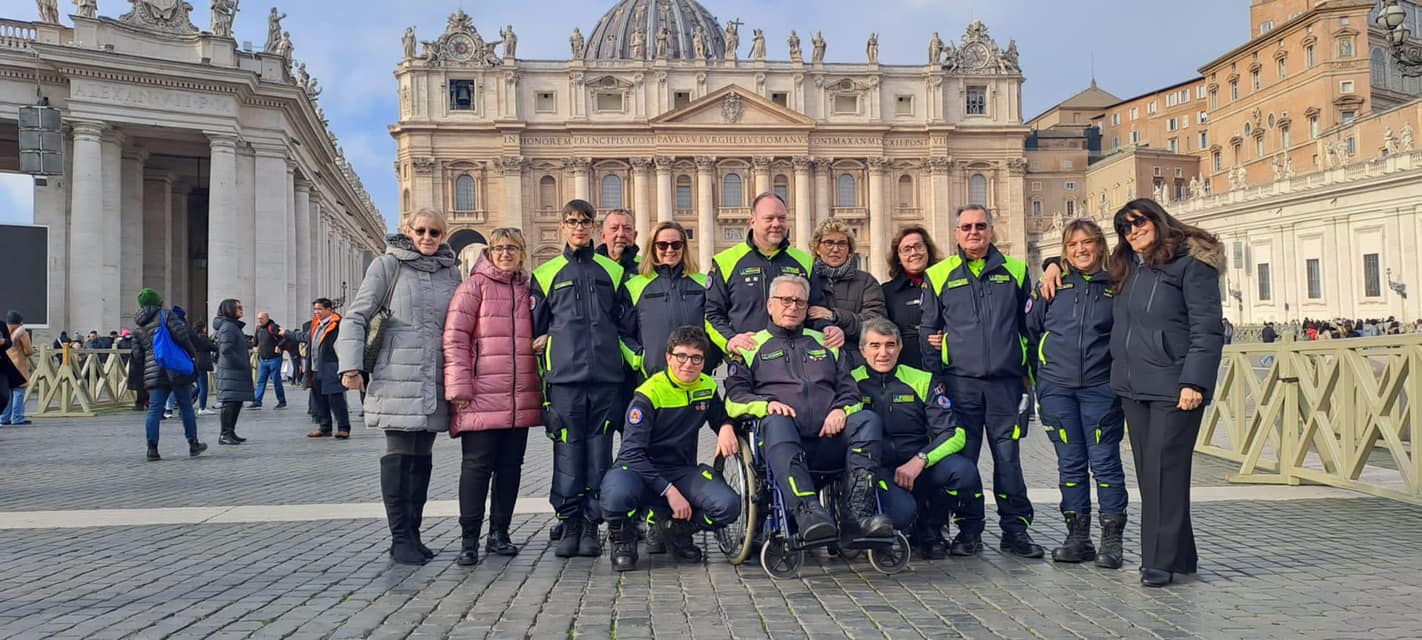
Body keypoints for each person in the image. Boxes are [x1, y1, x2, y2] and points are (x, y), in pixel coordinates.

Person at [725, 275, 891, 543]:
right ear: (770, 305)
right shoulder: (750, 346)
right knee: (776, 421)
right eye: (785, 300)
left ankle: (858, 514)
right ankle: (807, 513)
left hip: (830, 438)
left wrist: (841, 410)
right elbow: (734, 398)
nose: (792, 306)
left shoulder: (827, 343)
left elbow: (850, 391)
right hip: (784, 442)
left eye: (799, 302)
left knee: (867, 420)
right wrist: (766, 405)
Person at [337, 209, 461, 566]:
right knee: (400, 456)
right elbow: (357, 316)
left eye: (434, 232)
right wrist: (351, 365)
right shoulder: (386, 266)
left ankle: (414, 533)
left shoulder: (449, 272)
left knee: (422, 458)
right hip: (395, 376)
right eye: (420, 230)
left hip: (433, 377)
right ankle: (400, 537)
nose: (427, 237)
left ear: (443, 235)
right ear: (407, 231)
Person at [1112, 199, 1224, 587]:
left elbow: (1208, 329)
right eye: (1125, 228)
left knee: (1163, 472)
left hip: (1175, 389)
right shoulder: (1132, 271)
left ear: (1157, 220)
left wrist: (1195, 381)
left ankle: (1157, 562)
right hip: (1135, 388)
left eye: (1139, 222)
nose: (1133, 231)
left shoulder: (1191, 267)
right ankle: (1181, 556)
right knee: (1154, 475)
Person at [920, 205, 1042, 558]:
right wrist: (937, 384)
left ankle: (1016, 531)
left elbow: (1028, 328)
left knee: (1009, 461)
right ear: (956, 232)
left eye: (980, 226)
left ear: (991, 230)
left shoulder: (1016, 271)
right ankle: (969, 531)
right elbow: (929, 330)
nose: (974, 232)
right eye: (966, 227)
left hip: (1005, 385)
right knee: (965, 464)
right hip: (960, 386)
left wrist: (1031, 380)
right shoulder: (940, 273)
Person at [531, 199, 636, 559]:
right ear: (562, 226)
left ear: (594, 228)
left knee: (598, 454)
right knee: (567, 453)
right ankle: (569, 520)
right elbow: (533, 328)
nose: (579, 227)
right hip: (564, 380)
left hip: (605, 377)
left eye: (585, 222)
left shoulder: (614, 272)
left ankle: (592, 523)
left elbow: (626, 324)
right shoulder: (545, 275)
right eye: (572, 221)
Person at [1026, 219, 1128, 569]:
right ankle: (1077, 536)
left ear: (1101, 246)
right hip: (1057, 388)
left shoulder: (1118, 284)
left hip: (1101, 388)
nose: (1081, 250)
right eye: (1072, 245)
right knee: (1069, 464)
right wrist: (1039, 378)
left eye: (1087, 243)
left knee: (1105, 463)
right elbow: (1030, 329)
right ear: (1065, 251)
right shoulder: (1052, 287)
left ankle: (1112, 540)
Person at [601, 326, 742, 571]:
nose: (688, 364)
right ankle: (623, 538)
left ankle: (676, 529)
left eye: (696, 358)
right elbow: (633, 453)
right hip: (637, 469)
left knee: (728, 506)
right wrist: (669, 491)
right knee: (615, 495)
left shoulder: (707, 387)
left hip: (680, 470)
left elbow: (719, 418)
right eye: (681, 356)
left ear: (704, 361)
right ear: (668, 357)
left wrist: (727, 426)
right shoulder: (648, 394)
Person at [443, 228, 543, 566]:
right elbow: (455, 337)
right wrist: (458, 387)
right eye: (499, 248)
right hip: (481, 396)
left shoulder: (529, 289)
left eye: (512, 247)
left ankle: (500, 533)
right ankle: (469, 538)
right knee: (476, 468)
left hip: (519, 396)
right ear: (490, 251)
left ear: (522, 252)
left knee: (510, 468)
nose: (505, 253)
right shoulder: (473, 286)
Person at [854, 318, 983, 559]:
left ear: (900, 348)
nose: (883, 353)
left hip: (919, 462)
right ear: (862, 350)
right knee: (902, 514)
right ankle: (906, 521)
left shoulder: (921, 379)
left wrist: (921, 459)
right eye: (875, 346)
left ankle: (931, 528)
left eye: (890, 345)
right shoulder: (850, 382)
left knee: (964, 473)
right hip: (878, 468)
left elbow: (955, 434)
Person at [706, 192, 844, 360]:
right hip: (747, 359)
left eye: (782, 218)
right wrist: (730, 340)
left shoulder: (803, 261)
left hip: (796, 360)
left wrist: (828, 328)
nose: (776, 224)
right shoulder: (726, 261)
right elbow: (712, 315)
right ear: (753, 221)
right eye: (769, 218)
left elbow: (815, 310)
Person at [624, 221, 718, 377]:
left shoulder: (703, 283)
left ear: (684, 247)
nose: (669, 250)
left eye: (676, 245)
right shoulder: (635, 286)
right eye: (662, 245)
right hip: (653, 377)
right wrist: (641, 359)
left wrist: (710, 359)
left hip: (697, 376)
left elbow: (716, 323)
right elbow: (623, 332)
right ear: (653, 248)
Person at [132, 288, 207, 461]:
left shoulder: (138, 326)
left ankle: (152, 449)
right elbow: (182, 336)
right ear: (158, 301)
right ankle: (193, 443)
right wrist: (192, 354)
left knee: (154, 409)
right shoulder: (166, 315)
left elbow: (137, 355)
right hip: (175, 367)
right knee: (186, 406)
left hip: (154, 370)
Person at [808, 218, 886, 368]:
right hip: (815, 363)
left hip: (855, 362)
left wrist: (835, 316)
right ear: (817, 248)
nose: (835, 249)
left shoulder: (866, 282)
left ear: (849, 250)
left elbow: (876, 325)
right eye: (829, 243)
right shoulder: (806, 280)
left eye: (842, 244)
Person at [881, 225, 942, 371]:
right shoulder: (887, 291)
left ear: (928, 250)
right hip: (905, 370)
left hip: (945, 368)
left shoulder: (946, 284)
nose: (914, 253)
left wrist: (947, 337)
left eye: (918, 246)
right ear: (899, 257)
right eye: (907, 249)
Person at [303, 299, 351, 439]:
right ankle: (325, 428)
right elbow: (305, 338)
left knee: (336, 399)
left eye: (320, 309)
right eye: (315, 309)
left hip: (331, 367)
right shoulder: (315, 324)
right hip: (315, 368)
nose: (317, 312)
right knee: (319, 400)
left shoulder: (338, 324)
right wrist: (286, 334)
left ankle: (343, 428)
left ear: (329, 309)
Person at [212, 299, 253, 445]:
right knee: (229, 402)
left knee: (236, 402)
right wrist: (241, 363)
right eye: (238, 307)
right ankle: (225, 434)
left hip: (235, 370)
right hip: (231, 370)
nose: (242, 309)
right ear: (230, 309)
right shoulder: (228, 327)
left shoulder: (233, 326)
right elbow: (226, 350)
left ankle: (231, 431)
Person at [1, 310, 34, 425]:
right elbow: (29, 350)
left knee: (7, 393)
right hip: (18, 364)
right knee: (19, 392)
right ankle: (17, 418)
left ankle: (4, 418)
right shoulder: (21, 332)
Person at [250, 311, 288, 409]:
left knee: (276, 381)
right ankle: (257, 401)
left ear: (267, 318)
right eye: (258, 318)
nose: (259, 320)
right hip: (263, 359)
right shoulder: (258, 329)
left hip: (274, 359)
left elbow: (284, 338)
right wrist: (254, 346)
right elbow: (255, 342)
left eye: (261, 318)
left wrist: (278, 346)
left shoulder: (273, 327)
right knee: (261, 381)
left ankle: (281, 401)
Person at [189, 319, 218, 417]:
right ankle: (202, 407)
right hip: (202, 363)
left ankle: (186, 401)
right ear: (203, 328)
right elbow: (212, 347)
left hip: (195, 362)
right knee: (203, 387)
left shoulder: (193, 337)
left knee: (198, 386)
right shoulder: (203, 338)